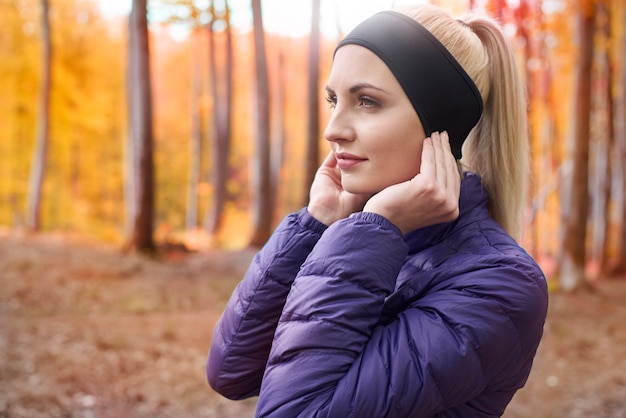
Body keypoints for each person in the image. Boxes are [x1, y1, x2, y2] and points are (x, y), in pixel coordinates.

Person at [207, 3, 548, 417]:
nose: (333, 129)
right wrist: (316, 225)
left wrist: (374, 230)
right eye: (334, 100)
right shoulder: (366, 235)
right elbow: (233, 371)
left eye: (367, 101)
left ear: (441, 125)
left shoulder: (499, 284)